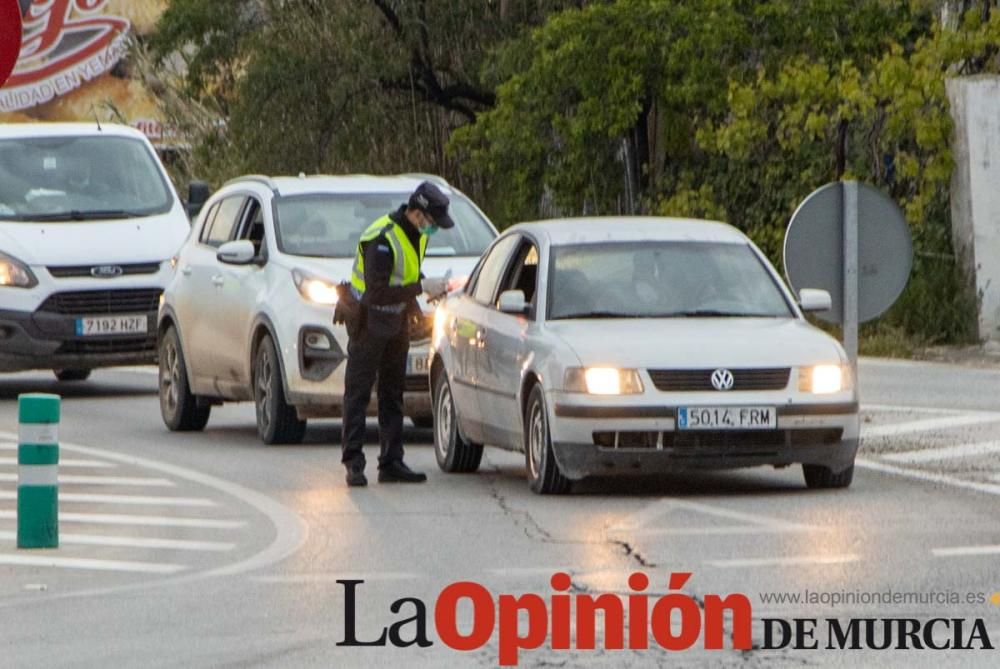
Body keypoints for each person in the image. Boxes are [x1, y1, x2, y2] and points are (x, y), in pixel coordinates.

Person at [341, 181, 453, 487]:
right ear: (418, 214)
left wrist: (420, 297)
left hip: (396, 323)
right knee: (358, 393)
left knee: (393, 393)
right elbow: (377, 292)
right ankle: (354, 462)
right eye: (432, 224)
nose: (433, 230)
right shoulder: (382, 238)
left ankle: (391, 462)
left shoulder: (416, 234)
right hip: (368, 322)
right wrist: (419, 288)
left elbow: (405, 275)